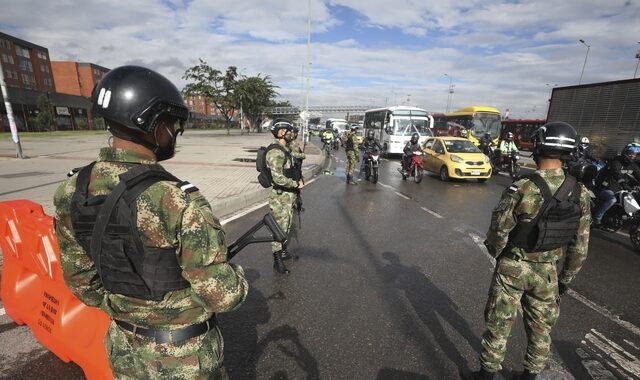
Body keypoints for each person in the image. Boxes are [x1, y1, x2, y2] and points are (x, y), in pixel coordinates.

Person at [53, 65, 248, 379]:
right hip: (182, 358)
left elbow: (81, 282)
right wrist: (237, 279)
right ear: (150, 123)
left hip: (123, 348)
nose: (175, 131)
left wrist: (127, 307)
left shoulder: (72, 190)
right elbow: (223, 296)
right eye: (171, 123)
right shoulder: (174, 199)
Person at [466, 122, 591, 380]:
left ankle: (487, 375)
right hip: (548, 274)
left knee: (499, 325)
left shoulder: (522, 186)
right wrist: (565, 279)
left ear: (538, 147)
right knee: (541, 329)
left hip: (513, 266)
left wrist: (498, 254)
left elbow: (498, 231)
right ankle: (530, 376)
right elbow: (580, 246)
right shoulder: (580, 192)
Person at [267, 118, 304, 273]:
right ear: (281, 132)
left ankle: (282, 251)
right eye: (289, 131)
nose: (292, 134)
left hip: (288, 196)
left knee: (287, 225)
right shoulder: (275, 152)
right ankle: (277, 260)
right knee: (278, 228)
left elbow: (294, 158)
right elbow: (277, 178)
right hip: (280, 196)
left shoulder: (285, 149)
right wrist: (295, 184)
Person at [592, 144, 640, 228]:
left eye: (635, 154)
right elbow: (616, 174)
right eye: (631, 153)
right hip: (605, 187)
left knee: (633, 198)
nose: (633, 156)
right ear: (625, 152)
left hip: (619, 189)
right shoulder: (616, 162)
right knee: (612, 199)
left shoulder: (633, 166)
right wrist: (623, 184)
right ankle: (596, 218)